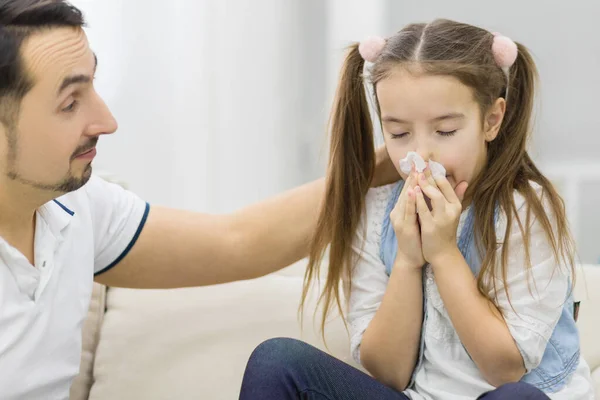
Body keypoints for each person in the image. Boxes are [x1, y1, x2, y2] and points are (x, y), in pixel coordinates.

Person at [0, 1, 400, 398]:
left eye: (92, 86)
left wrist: (388, 162)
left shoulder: (79, 207)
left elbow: (238, 242)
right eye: (70, 103)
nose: (106, 122)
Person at [239, 19, 595, 400]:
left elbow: (504, 369)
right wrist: (408, 260)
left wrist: (443, 253)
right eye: (398, 133)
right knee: (276, 360)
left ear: (491, 119)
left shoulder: (526, 211)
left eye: (444, 131)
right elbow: (389, 374)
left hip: (512, 394)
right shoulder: (378, 214)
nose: (421, 155)